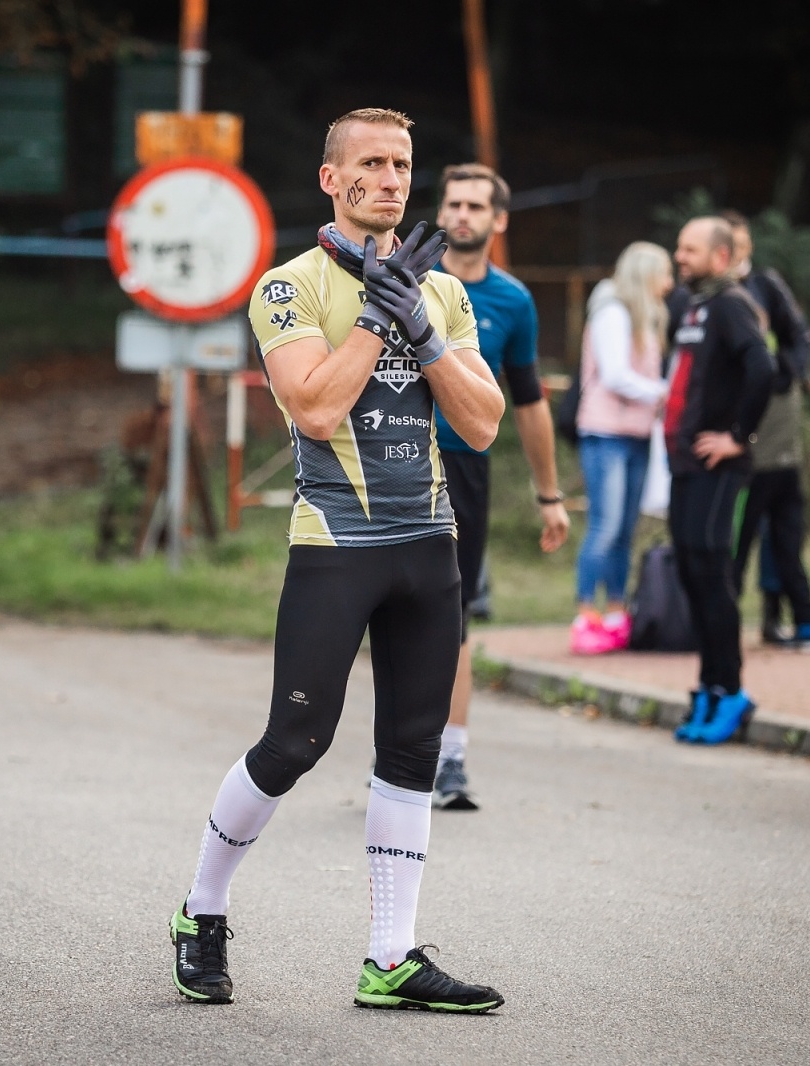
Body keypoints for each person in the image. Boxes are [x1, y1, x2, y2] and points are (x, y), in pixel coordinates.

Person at [169, 108, 506, 1013]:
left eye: (402, 164)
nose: (393, 180)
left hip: (427, 548)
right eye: (372, 164)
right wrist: (374, 311)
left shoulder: (444, 291)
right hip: (336, 551)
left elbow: (481, 423)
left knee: (412, 753)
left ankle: (390, 957)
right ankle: (201, 912)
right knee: (295, 742)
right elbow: (314, 409)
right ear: (331, 179)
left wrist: (423, 329)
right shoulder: (289, 286)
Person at [427, 162, 570, 810]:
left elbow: (530, 402)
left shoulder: (512, 301)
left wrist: (550, 494)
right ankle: (398, 748)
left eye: (475, 206)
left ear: (497, 220)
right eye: (453, 203)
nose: (461, 215)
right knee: (396, 613)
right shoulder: (408, 280)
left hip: (465, 470)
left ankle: (450, 760)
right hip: (395, 464)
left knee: (453, 616)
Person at [665, 217, 776, 745]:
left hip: (719, 467)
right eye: (679, 248)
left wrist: (738, 435)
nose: (679, 256)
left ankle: (730, 690)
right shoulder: (692, 306)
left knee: (713, 574)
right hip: (684, 465)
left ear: (721, 255)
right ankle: (707, 686)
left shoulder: (732, 304)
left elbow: (763, 367)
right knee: (690, 571)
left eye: (689, 249)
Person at [720, 211, 810, 652]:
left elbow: (800, 337)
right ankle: (723, 625)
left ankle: (788, 619)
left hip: (778, 430)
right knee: (736, 539)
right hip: (737, 435)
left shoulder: (766, 286)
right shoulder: (714, 296)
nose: (739, 253)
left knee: (785, 533)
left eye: (743, 245)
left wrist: (784, 374)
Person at [570, 241, 671, 655]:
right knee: (605, 526)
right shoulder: (613, 311)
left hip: (637, 433)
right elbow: (615, 375)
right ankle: (584, 613)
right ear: (645, 274)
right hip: (606, 433)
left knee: (625, 531)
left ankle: (615, 611)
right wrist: (665, 392)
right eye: (664, 273)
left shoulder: (645, 318)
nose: (670, 283)